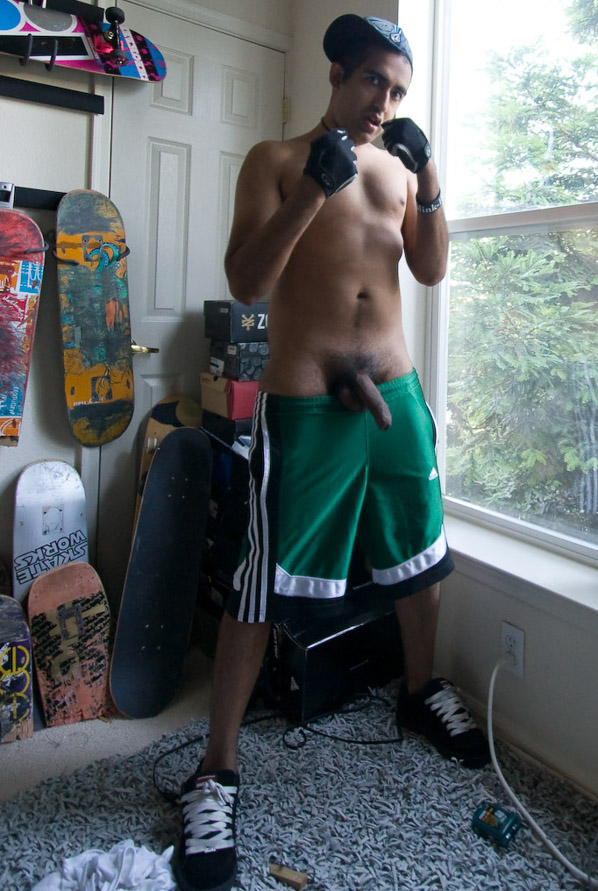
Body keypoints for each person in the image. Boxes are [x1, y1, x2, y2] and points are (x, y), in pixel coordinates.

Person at [173, 15, 489, 891]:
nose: (384, 102)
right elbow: (247, 281)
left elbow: (430, 269)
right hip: (308, 399)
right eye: (374, 81)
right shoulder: (276, 160)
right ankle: (217, 770)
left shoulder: (398, 170)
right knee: (260, 580)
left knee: (421, 553)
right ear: (338, 75)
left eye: (398, 91)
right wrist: (316, 185)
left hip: (394, 393)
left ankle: (418, 691)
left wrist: (431, 181)